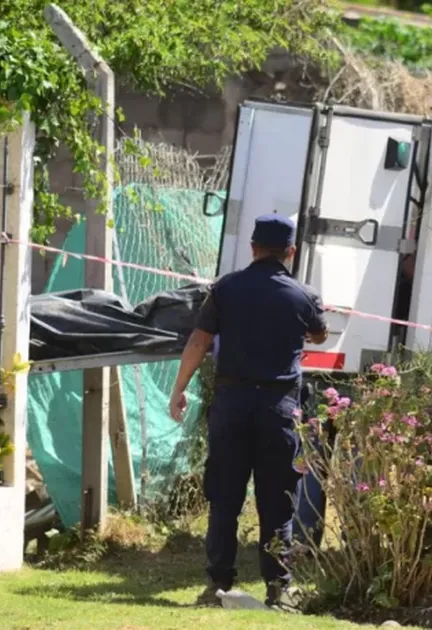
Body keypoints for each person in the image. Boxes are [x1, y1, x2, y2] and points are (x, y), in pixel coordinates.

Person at [168, 213, 329, 609]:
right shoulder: (303, 295)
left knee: (225, 496)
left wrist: (179, 388)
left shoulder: (225, 289)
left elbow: (199, 341)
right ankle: (277, 586)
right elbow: (320, 334)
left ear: (253, 247)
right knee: (277, 499)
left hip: (232, 404)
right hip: (278, 407)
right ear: (290, 252)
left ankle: (218, 582)